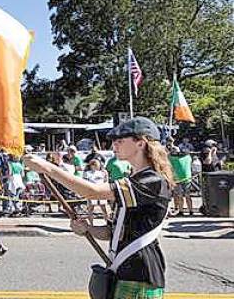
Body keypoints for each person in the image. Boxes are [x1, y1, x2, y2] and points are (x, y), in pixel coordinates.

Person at [25, 117, 174, 298]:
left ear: (140, 144)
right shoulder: (135, 178)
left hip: (140, 274)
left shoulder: (152, 181)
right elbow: (113, 232)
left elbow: (92, 192)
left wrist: (48, 168)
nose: (114, 146)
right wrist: (88, 228)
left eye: (120, 141)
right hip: (125, 270)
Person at [168, 138, 194, 216]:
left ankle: (183, 211)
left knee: (181, 196)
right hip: (185, 178)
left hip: (178, 179)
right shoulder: (188, 157)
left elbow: (169, 154)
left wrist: (171, 143)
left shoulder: (171, 158)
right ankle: (189, 210)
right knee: (186, 195)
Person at [82, 159, 110, 225]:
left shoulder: (103, 172)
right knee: (90, 209)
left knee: (104, 209)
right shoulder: (87, 173)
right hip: (91, 192)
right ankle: (91, 224)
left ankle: (108, 223)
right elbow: (84, 182)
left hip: (101, 192)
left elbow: (106, 182)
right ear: (91, 165)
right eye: (95, 165)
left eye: (98, 165)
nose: (97, 166)